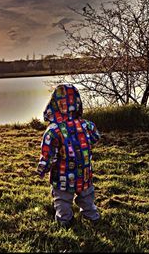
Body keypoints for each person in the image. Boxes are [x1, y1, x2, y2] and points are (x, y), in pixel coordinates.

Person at [37, 84, 101, 228]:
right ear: (77, 103)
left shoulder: (53, 131)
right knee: (87, 196)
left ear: (53, 104)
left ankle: (64, 221)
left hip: (62, 177)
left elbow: (48, 154)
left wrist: (43, 167)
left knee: (62, 200)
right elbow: (96, 137)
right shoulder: (86, 125)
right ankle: (92, 217)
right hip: (84, 174)